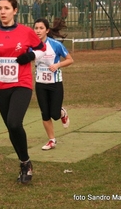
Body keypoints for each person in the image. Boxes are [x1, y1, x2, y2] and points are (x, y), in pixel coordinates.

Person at [0, 0, 46, 184]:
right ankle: (25, 162)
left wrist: (31, 56)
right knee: (11, 127)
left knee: (14, 122)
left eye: (7, 8)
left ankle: (26, 164)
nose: (3, 12)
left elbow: (43, 50)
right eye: (0, 8)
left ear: (15, 10)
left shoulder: (25, 32)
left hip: (21, 84)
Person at [33, 18, 73, 150]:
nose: (38, 31)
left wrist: (58, 65)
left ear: (47, 30)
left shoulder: (55, 45)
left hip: (55, 83)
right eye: (36, 28)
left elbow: (70, 60)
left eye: (41, 28)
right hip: (40, 83)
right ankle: (51, 140)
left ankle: (61, 112)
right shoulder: (32, 46)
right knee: (45, 113)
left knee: (54, 114)